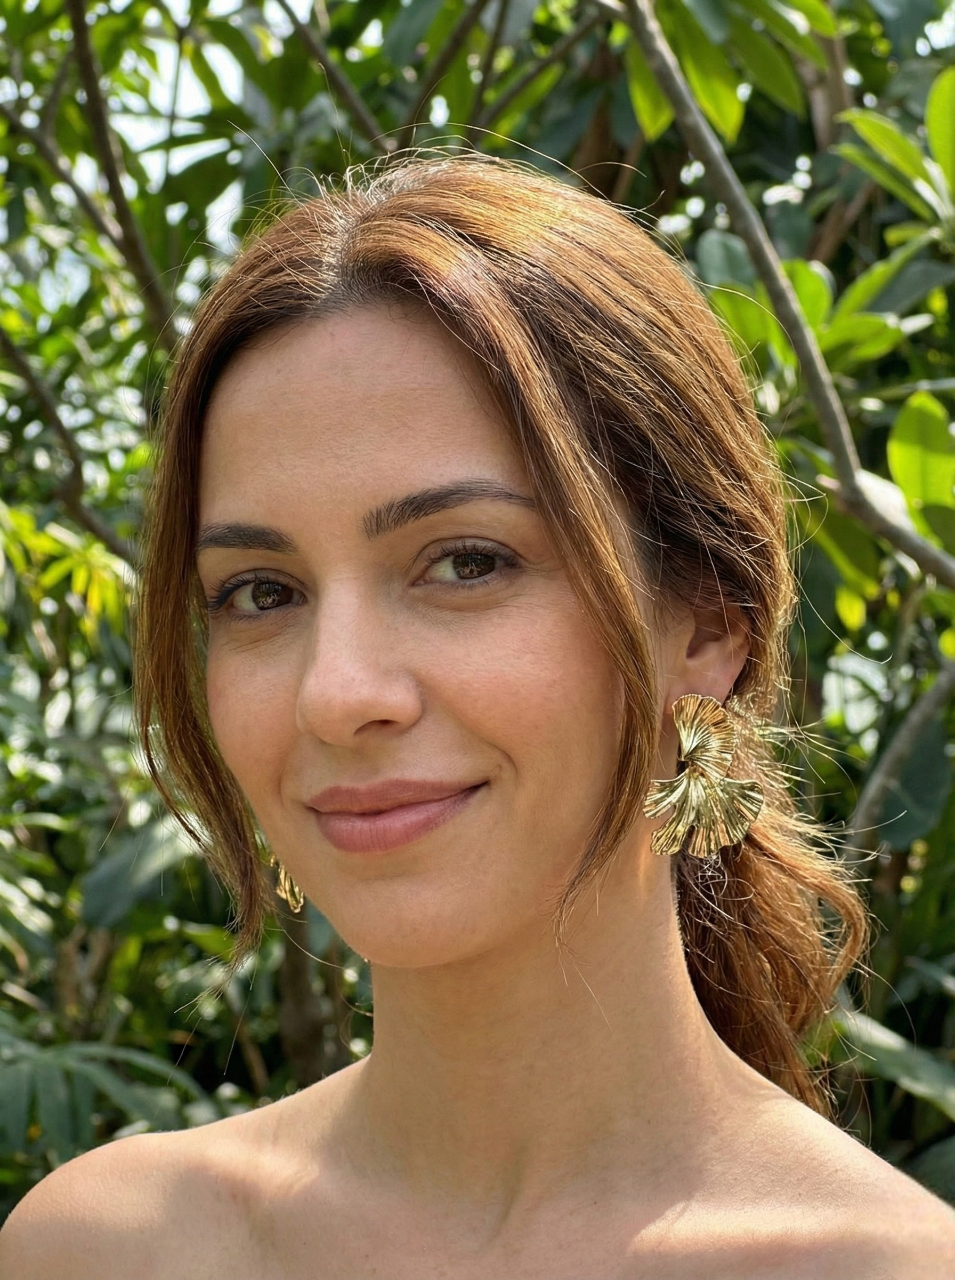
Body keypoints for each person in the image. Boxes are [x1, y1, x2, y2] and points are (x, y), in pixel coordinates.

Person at [2, 154, 954, 1278]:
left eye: (464, 562)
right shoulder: (101, 1247)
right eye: (262, 591)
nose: (338, 692)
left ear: (705, 623)